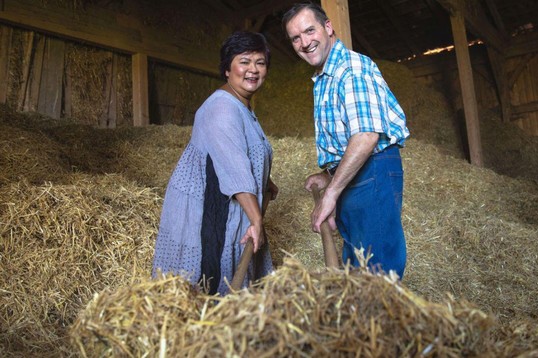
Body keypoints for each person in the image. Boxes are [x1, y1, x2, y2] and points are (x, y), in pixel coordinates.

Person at [282, 3, 410, 278]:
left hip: (372, 172)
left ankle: (381, 321)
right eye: (295, 38)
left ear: (328, 27)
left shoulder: (351, 68)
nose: (304, 43)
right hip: (358, 176)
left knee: (376, 271)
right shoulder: (325, 75)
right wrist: (329, 176)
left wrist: (330, 195)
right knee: (356, 265)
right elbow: (348, 142)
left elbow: (365, 136)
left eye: (309, 30)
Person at [152, 31, 278, 295]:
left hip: (228, 204)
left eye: (260, 62)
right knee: (211, 281)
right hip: (213, 211)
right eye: (244, 61)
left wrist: (265, 181)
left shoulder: (241, 105)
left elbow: (239, 154)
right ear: (227, 69)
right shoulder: (222, 109)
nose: (253, 70)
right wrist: (257, 220)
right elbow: (234, 171)